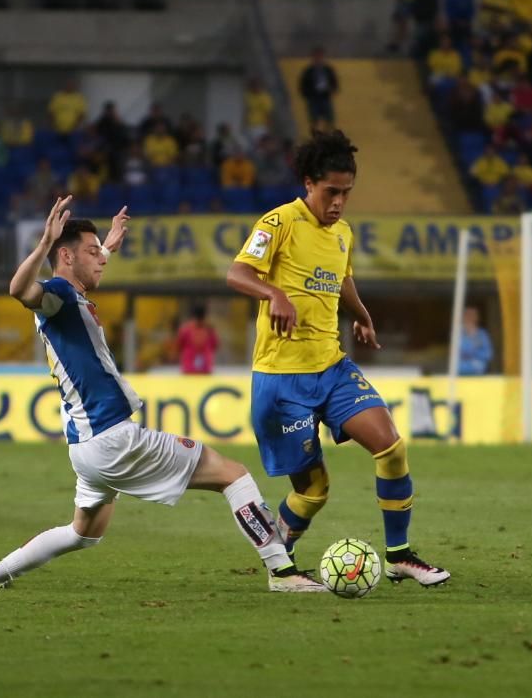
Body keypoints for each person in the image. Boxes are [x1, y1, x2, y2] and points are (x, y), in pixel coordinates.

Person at [0, 198, 321, 592]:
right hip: (113, 439)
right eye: (92, 251)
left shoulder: (68, 295)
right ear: (64, 256)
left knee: (83, 533)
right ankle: (282, 572)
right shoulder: (58, 293)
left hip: (86, 449)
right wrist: (45, 239)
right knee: (234, 475)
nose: (101, 259)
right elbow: (18, 289)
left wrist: (106, 246)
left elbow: (77, 270)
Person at [226, 130, 450, 587]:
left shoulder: (343, 233)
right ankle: (280, 561)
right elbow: (237, 272)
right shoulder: (279, 222)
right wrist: (274, 294)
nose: (339, 203)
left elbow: (342, 279)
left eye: (347, 193)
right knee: (313, 492)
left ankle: (399, 555)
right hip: (282, 379)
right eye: (331, 192)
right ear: (309, 183)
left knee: (391, 447)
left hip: (331, 367)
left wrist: (361, 314)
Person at [298, 47, 339, 127]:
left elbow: (334, 82)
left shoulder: (328, 70)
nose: (318, 59)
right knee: (314, 120)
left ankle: (327, 133)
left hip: (325, 97)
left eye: (320, 56)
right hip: (313, 99)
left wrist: (331, 90)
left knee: (329, 119)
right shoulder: (308, 71)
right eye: (316, 56)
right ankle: (315, 133)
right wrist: (308, 95)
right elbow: (303, 85)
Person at [176, 304, 219, 374]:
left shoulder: (185, 329)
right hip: (205, 368)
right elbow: (215, 345)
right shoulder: (210, 330)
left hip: (189, 368)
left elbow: (179, 345)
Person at [458, 306, 493, 375]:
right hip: (460, 372)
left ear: (477, 318)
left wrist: (473, 337)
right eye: (467, 315)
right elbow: (456, 352)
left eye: (472, 315)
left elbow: (488, 354)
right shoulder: (457, 334)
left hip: (477, 371)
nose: (469, 318)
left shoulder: (482, 334)